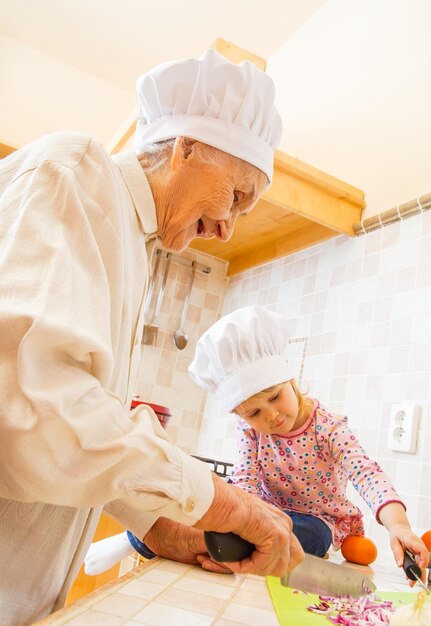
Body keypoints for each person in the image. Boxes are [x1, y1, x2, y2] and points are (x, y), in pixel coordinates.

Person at [0, 50, 305, 626]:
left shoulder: (130, 241)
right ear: (187, 145)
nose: (226, 228)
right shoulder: (76, 171)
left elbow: (75, 436)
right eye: (236, 196)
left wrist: (158, 526)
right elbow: (29, 409)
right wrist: (224, 503)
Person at [188, 306, 429, 579]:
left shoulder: (328, 427)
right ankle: (221, 542)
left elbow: (366, 473)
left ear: (290, 380)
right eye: (255, 413)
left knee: (312, 535)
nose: (272, 415)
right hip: (264, 515)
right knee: (227, 508)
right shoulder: (248, 428)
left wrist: (399, 526)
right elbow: (245, 480)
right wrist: (245, 523)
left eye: (275, 397)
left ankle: (227, 546)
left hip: (314, 520)